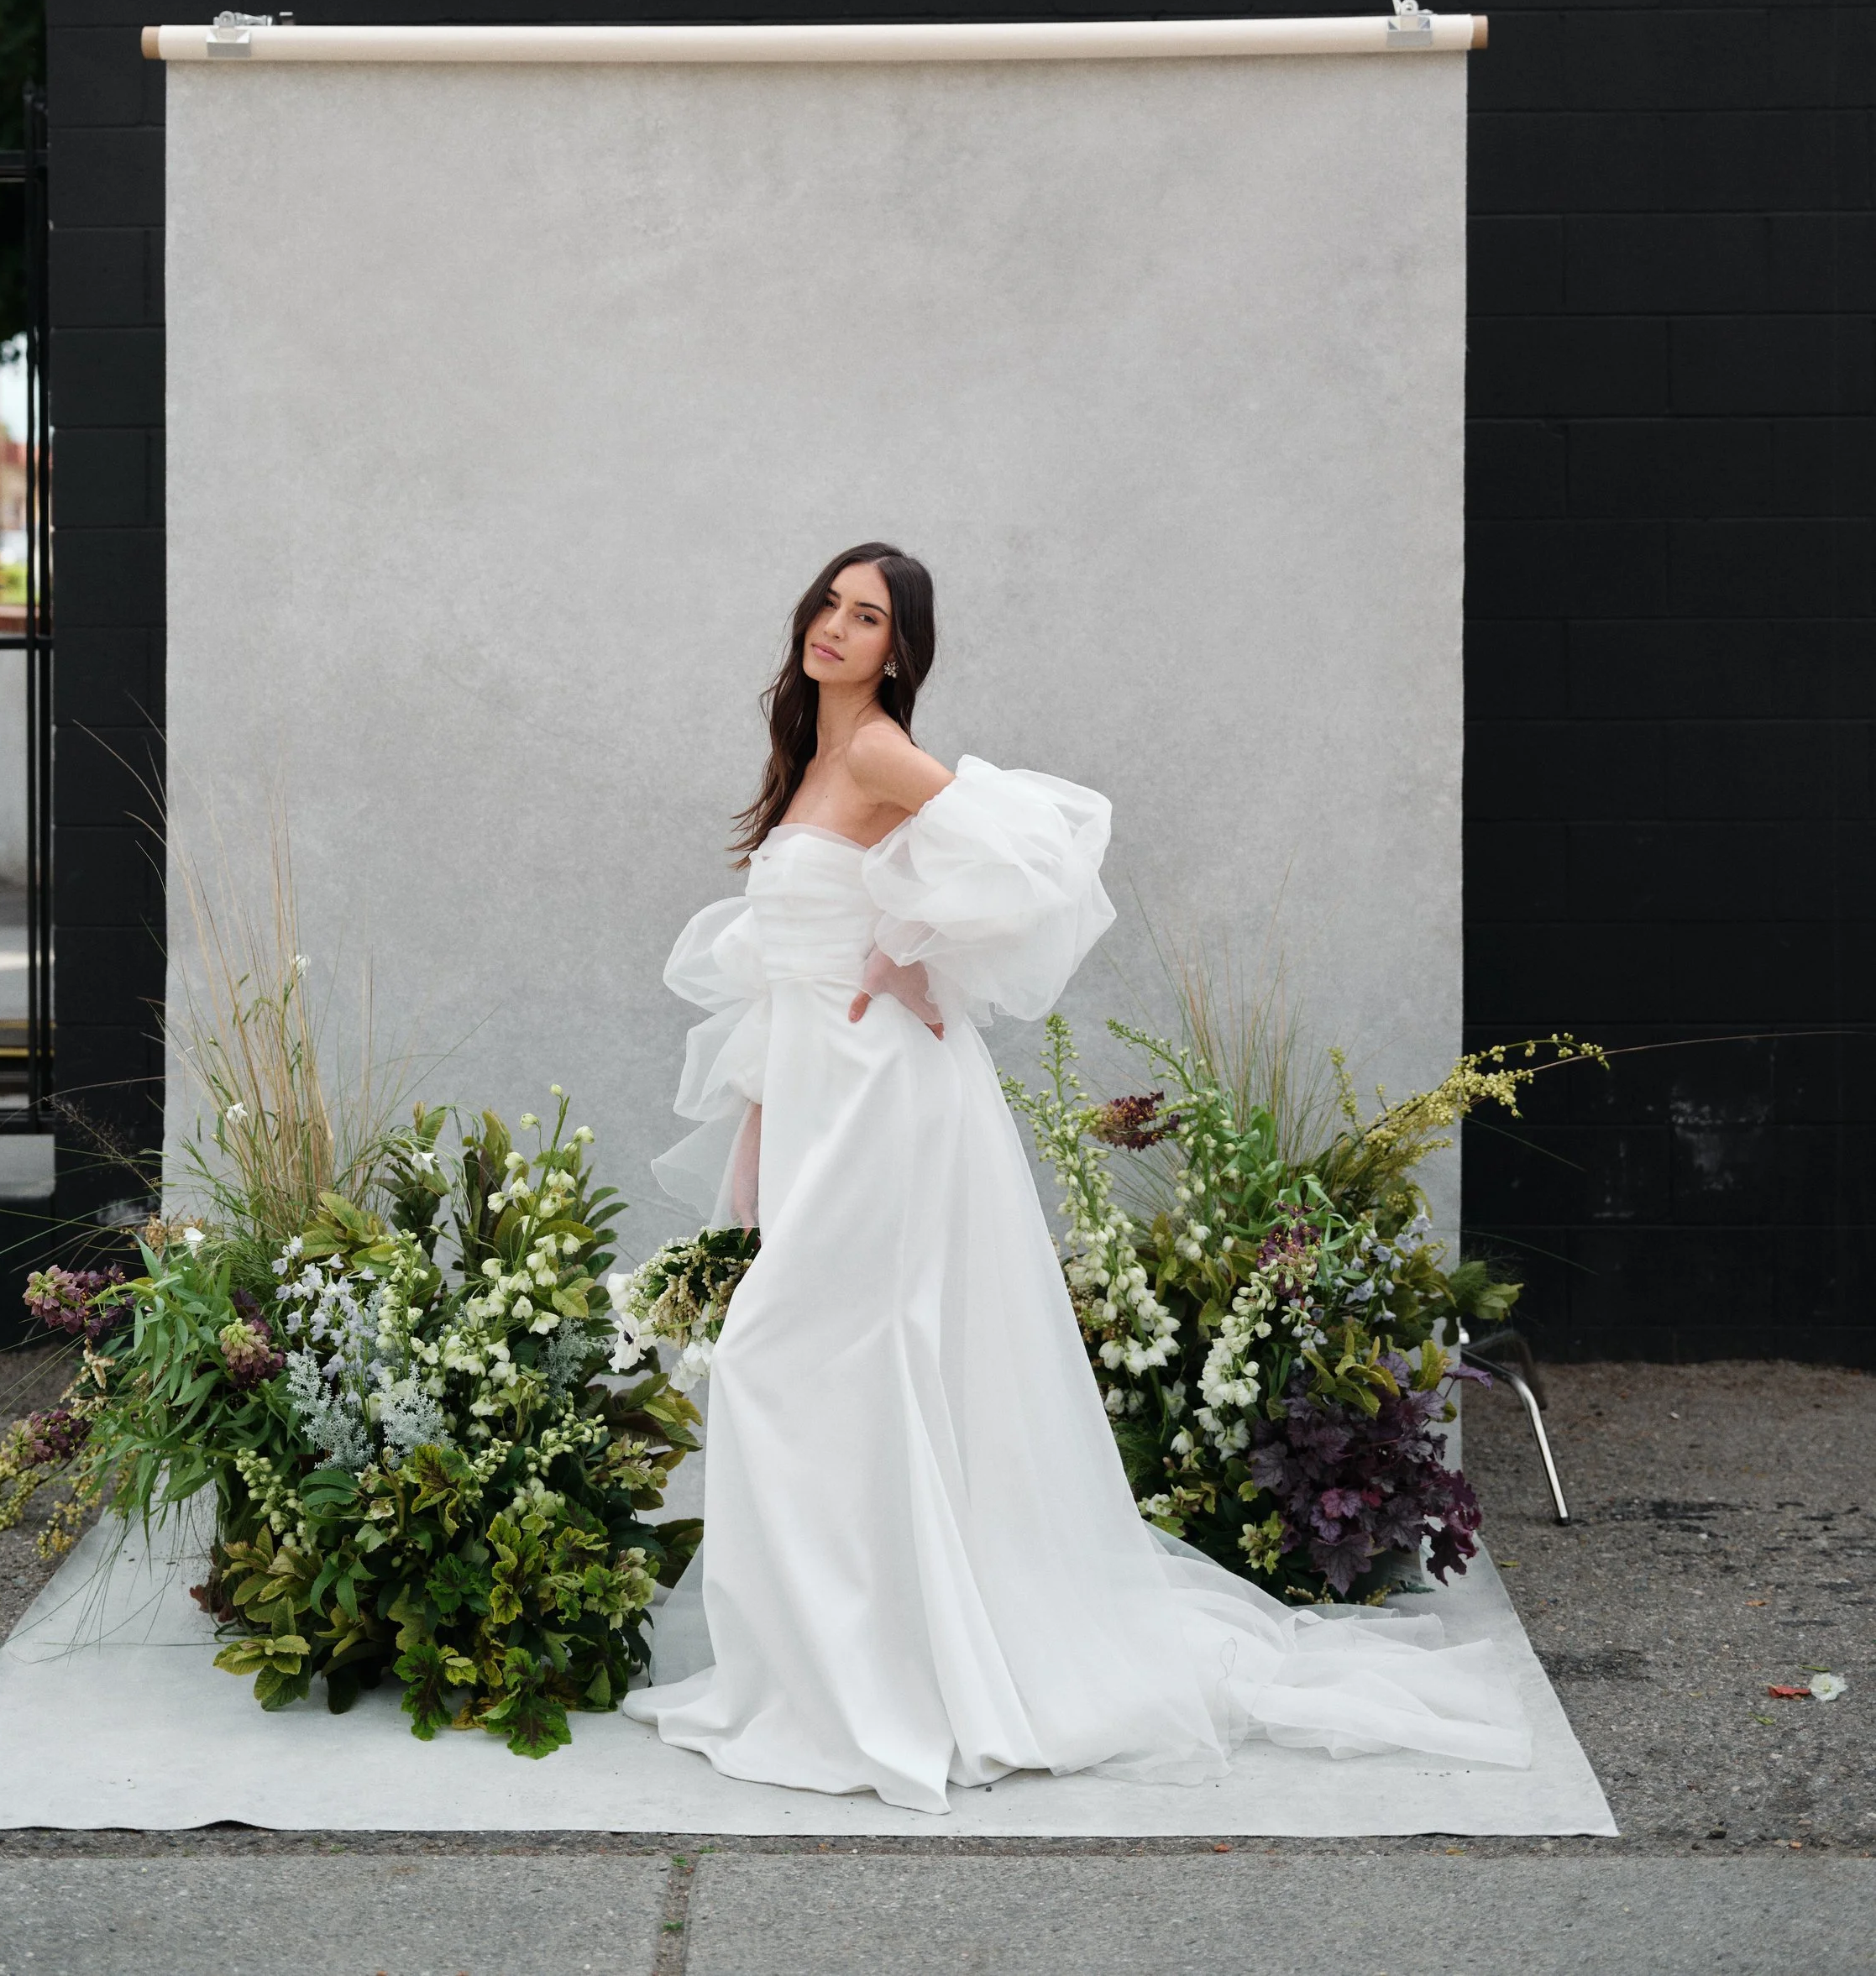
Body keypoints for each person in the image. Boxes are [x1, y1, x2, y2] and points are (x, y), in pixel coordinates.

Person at [620, 543, 1530, 1812]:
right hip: (820, 1100)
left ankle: (890, 1689)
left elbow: (1034, 855)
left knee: (801, 1360)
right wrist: (757, 1145)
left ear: (901, 648)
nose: (836, 624)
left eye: (867, 614)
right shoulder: (809, 765)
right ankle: (834, 1674)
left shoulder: (880, 750)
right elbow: (779, 974)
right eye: (829, 601)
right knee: (820, 1371)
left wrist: (910, 947)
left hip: (887, 1102)